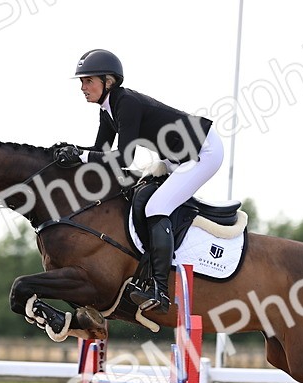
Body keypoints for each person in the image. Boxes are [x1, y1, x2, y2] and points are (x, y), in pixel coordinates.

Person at [67, 48, 224, 314]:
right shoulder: (108, 109)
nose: (83, 87)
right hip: (176, 158)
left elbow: (123, 157)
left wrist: (81, 156)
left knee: (156, 207)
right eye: (82, 81)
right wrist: (71, 152)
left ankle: (160, 290)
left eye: (88, 81)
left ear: (108, 81)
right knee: (140, 198)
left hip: (203, 152)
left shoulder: (126, 103)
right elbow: (100, 151)